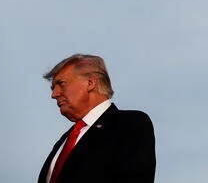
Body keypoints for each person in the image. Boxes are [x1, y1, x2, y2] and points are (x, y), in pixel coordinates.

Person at [38, 54, 156, 183]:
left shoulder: (130, 124)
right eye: (53, 88)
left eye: (61, 84)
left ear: (90, 83)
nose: (54, 94)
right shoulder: (64, 141)